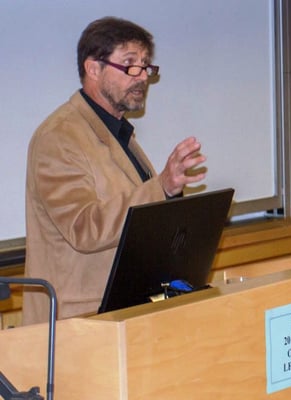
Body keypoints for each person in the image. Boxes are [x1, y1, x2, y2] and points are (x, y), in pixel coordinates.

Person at [23, 17, 206, 325]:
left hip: (123, 314)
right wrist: (160, 187)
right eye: (130, 64)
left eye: (146, 65)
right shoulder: (59, 137)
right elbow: (84, 227)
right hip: (76, 324)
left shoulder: (118, 134)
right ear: (93, 69)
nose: (142, 77)